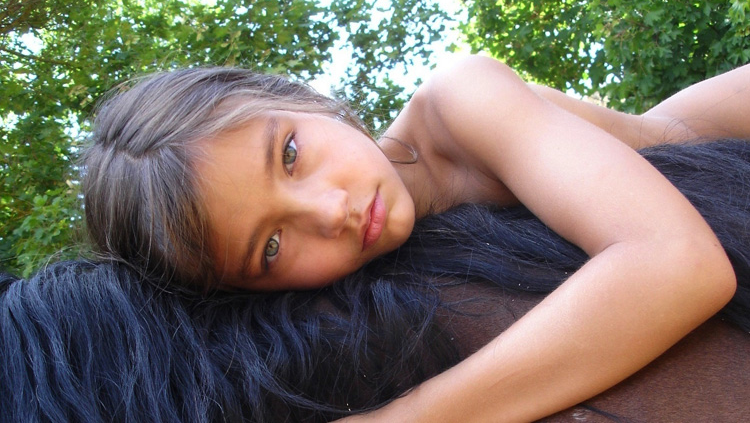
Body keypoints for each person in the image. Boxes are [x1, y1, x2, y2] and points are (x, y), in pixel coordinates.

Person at [83, 56, 750, 422]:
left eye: (289, 154)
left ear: (302, 99)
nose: (331, 211)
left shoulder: (461, 100)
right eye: (272, 247)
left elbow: (677, 263)